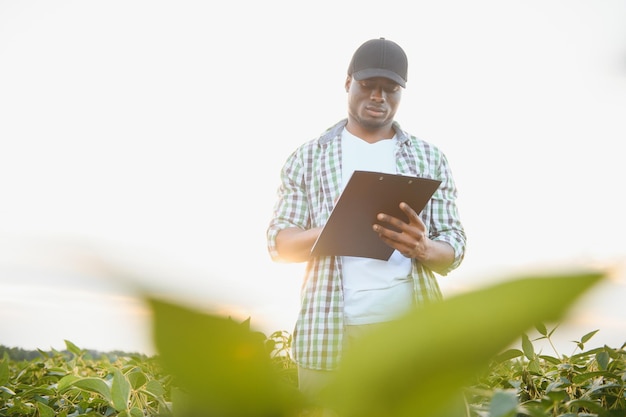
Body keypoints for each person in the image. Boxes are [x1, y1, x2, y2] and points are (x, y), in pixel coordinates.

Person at [266, 38, 466, 412]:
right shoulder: (308, 157)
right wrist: (336, 226)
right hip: (329, 339)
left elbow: (454, 247)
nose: (379, 97)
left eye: (390, 89)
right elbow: (279, 244)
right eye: (368, 86)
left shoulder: (429, 157)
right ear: (347, 84)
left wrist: (422, 247)